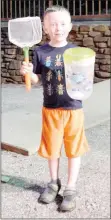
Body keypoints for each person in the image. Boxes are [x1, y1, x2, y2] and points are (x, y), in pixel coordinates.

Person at [20, 5, 89, 212]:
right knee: (52, 149)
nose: (57, 28)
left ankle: (71, 188)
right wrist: (28, 73)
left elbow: (83, 80)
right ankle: (53, 183)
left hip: (74, 109)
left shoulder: (76, 52)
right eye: (52, 24)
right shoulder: (40, 52)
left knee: (73, 149)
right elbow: (37, 79)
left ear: (69, 26)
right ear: (45, 27)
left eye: (62, 23)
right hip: (50, 109)